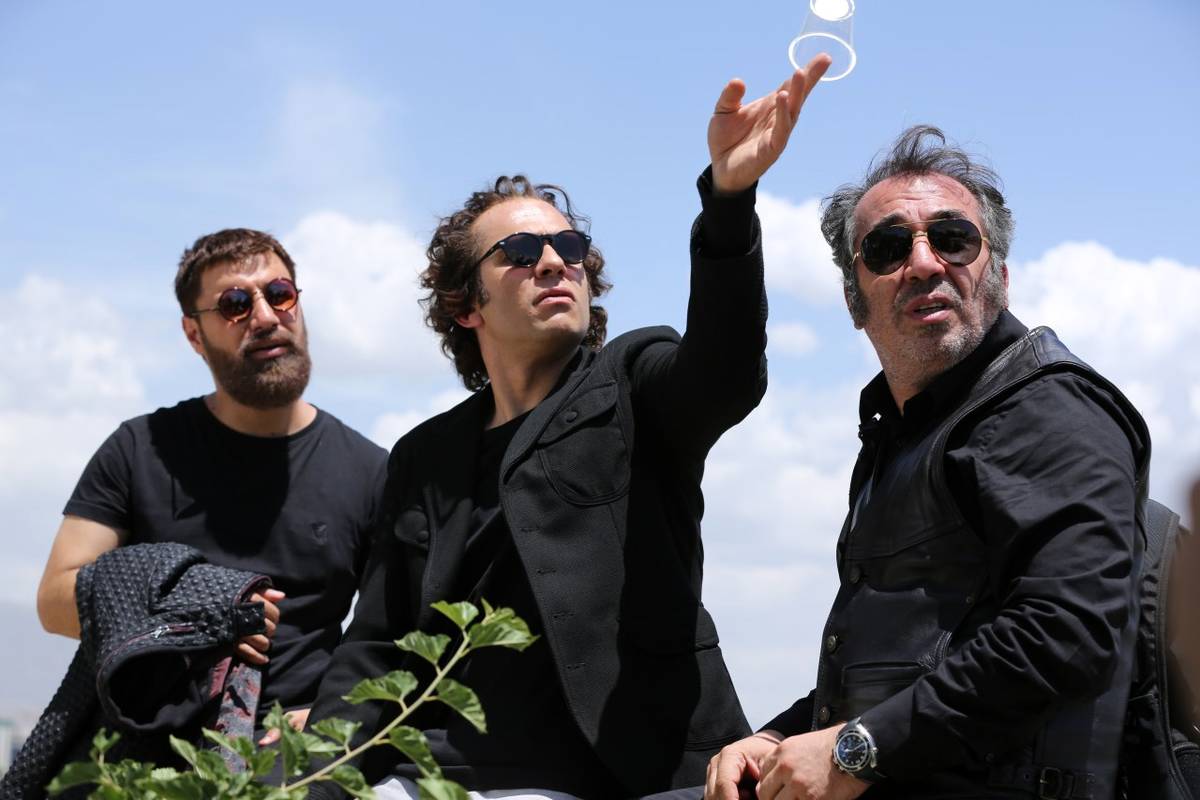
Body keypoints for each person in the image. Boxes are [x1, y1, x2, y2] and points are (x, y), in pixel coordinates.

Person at [304, 56, 833, 800]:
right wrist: (312, 779)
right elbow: (376, 645)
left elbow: (726, 371)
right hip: (425, 775)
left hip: (600, 778)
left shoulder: (634, 384)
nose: (555, 262)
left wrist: (729, 200)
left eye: (571, 248)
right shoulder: (425, 455)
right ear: (466, 306)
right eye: (521, 253)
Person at [707, 126, 1150, 799]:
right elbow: (893, 669)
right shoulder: (903, 434)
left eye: (952, 239)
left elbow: (1066, 631)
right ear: (854, 300)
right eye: (888, 248)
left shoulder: (1049, 407)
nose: (923, 263)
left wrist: (858, 750)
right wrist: (775, 739)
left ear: (999, 275)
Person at [35, 228, 387, 744]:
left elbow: (392, 629)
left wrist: (334, 710)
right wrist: (197, 607)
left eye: (280, 294)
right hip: (148, 755)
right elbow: (54, 602)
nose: (265, 317)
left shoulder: (369, 469)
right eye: (235, 305)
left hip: (294, 753)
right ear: (194, 335)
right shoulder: (138, 449)